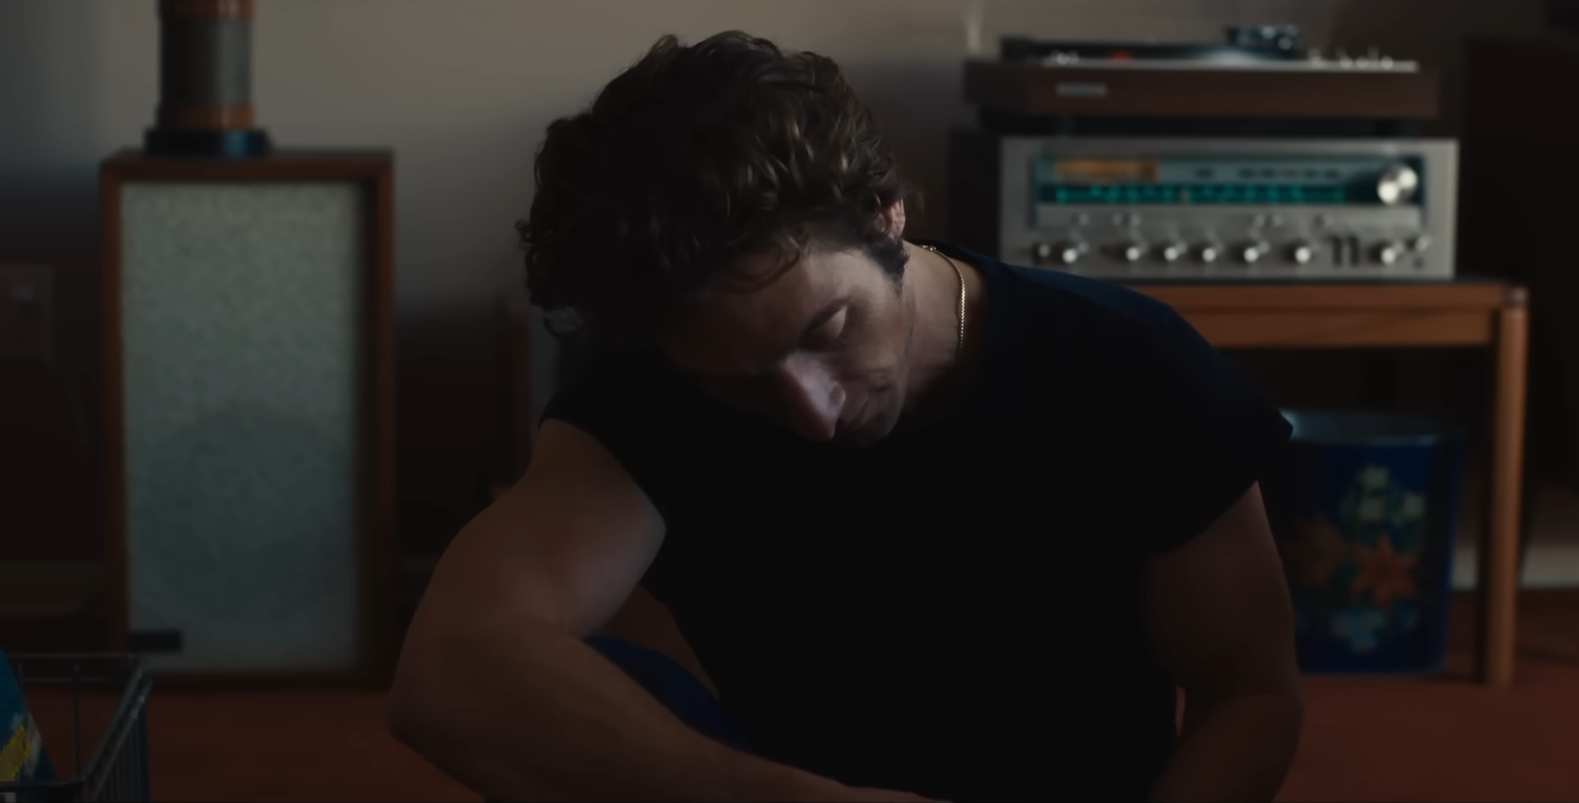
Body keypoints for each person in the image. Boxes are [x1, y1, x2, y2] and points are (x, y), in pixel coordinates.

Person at [387, 30, 1304, 803]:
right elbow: (451, 665)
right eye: (739, 382)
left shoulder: (1129, 364)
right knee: (592, 698)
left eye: (827, 329)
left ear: (884, 214)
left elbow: (1248, 694)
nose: (813, 414)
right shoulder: (652, 391)